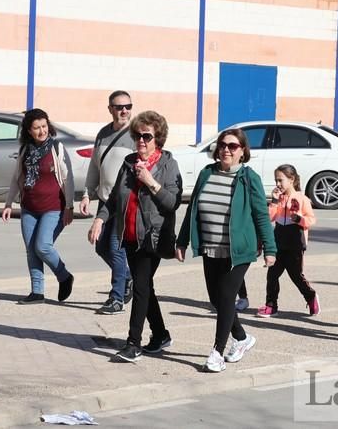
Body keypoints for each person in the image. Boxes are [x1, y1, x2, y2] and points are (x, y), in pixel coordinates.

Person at [176, 129, 276, 372]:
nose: (226, 150)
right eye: (222, 145)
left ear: (243, 151)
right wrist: (182, 240)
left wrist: (270, 248)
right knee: (216, 300)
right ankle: (242, 338)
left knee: (227, 297)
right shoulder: (206, 174)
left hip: (238, 251)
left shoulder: (248, 178)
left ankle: (217, 353)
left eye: (233, 146)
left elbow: (261, 215)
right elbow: (193, 209)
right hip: (210, 246)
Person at [88, 111, 181, 363]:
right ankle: (160, 334)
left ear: (157, 138)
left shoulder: (167, 165)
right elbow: (114, 198)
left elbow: (172, 202)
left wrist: (150, 181)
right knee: (145, 287)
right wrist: (100, 219)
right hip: (128, 236)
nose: (141, 141)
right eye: (137, 136)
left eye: (147, 136)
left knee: (140, 286)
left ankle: (133, 343)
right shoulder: (129, 163)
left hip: (153, 238)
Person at [3, 108, 75, 304]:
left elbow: (68, 179)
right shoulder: (25, 150)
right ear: (29, 131)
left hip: (54, 207)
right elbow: (17, 177)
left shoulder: (57, 148)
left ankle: (64, 276)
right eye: (37, 128)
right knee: (31, 249)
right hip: (29, 207)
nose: (42, 131)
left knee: (42, 246)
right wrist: (9, 203)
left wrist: (69, 207)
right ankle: (37, 292)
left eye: (44, 126)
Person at [80, 91, 136, 315]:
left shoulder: (136, 135)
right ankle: (128, 277)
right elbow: (95, 167)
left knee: (115, 248)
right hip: (105, 200)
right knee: (102, 248)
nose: (124, 110)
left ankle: (116, 298)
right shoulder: (103, 134)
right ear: (110, 109)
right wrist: (86, 194)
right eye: (119, 106)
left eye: (128, 106)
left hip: (124, 202)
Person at [257, 164, 318, 318]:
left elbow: (311, 220)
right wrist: (274, 202)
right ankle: (271, 305)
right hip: (278, 240)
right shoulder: (278, 199)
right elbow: (269, 217)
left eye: (280, 180)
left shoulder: (302, 199)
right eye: (276, 180)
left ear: (291, 180)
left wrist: (299, 219)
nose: (277, 184)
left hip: (295, 242)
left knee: (296, 276)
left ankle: (311, 296)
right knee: (272, 275)